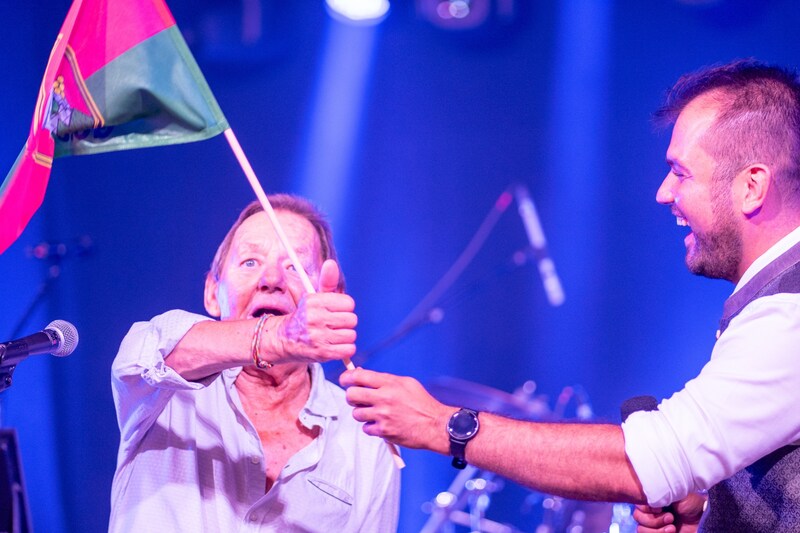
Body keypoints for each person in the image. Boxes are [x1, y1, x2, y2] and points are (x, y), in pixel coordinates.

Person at [339, 59, 800, 532]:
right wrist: (709, 518)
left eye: (681, 173)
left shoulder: (789, 316)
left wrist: (443, 425)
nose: (664, 193)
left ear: (752, 186)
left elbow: (648, 461)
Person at [109, 194, 400, 532]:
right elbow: (150, 350)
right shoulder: (162, 389)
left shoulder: (365, 436)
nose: (271, 279)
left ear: (330, 299)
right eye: (249, 262)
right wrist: (280, 337)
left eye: (294, 265)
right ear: (211, 293)